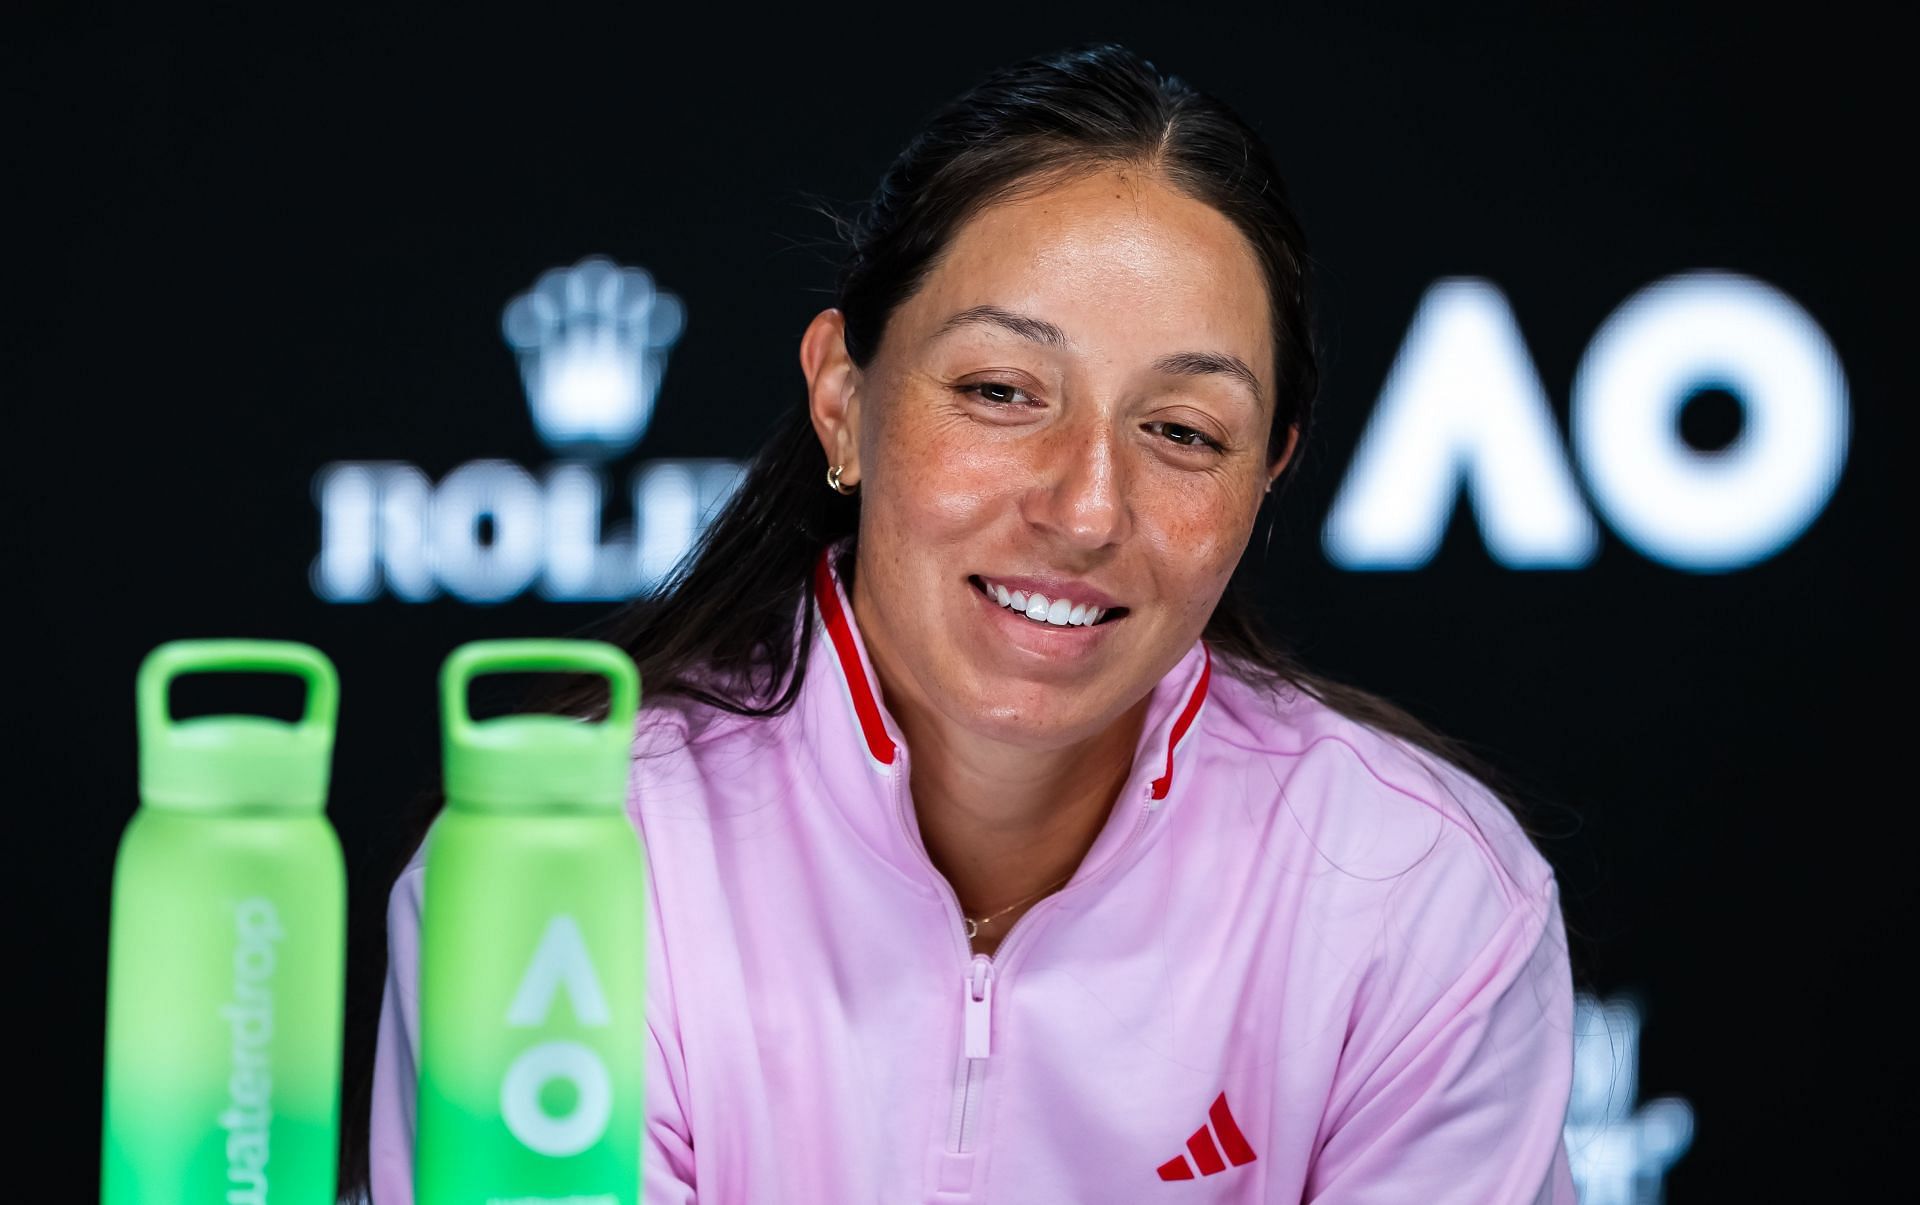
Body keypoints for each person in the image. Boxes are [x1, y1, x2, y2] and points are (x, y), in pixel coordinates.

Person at [359, 42, 1577, 1203]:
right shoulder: (567, 860)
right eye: (1001, 392)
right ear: (844, 399)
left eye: (1185, 432)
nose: (1088, 507)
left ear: (1267, 478)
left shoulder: (1421, 895)